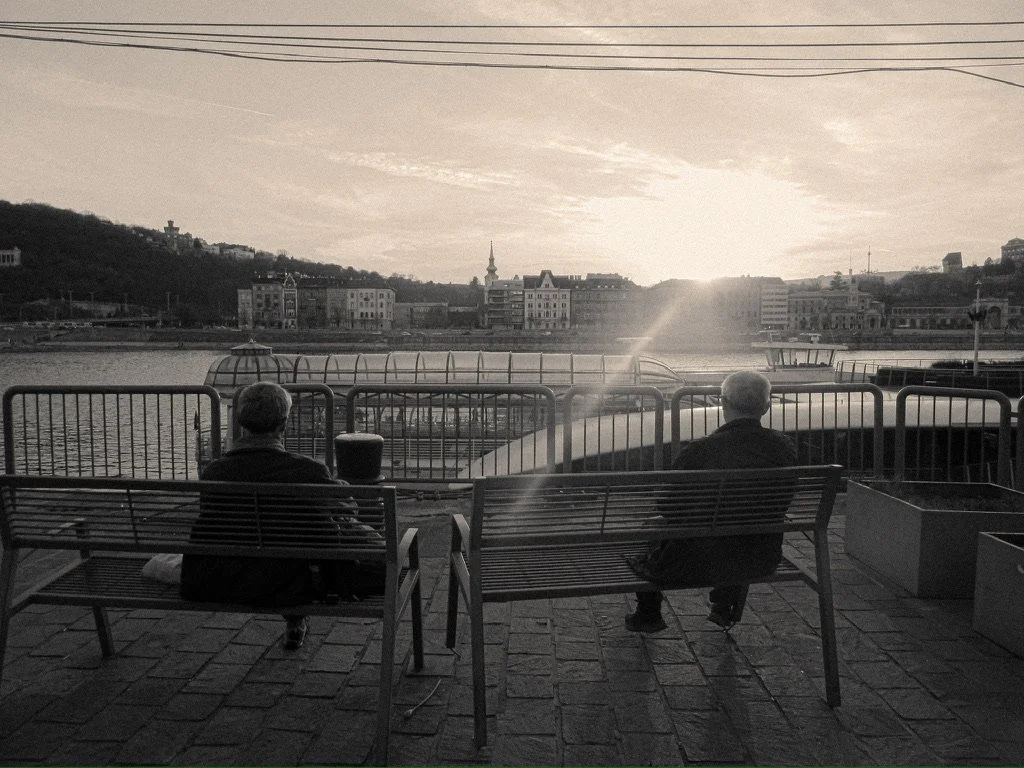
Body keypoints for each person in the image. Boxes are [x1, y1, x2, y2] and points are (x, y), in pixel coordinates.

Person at [180, 381, 383, 650]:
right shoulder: (307, 471)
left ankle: (296, 620)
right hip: (289, 582)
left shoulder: (214, 473)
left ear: (241, 421)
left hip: (225, 580)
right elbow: (348, 508)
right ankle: (296, 616)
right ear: (284, 424)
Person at [625, 370, 796, 633]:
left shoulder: (700, 450)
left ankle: (648, 613)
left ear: (723, 403)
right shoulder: (784, 448)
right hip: (760, 556)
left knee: (653, 528)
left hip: (697, 561)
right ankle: (724, 604)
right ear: (766, 407)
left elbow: (669, 506)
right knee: (737, 526)